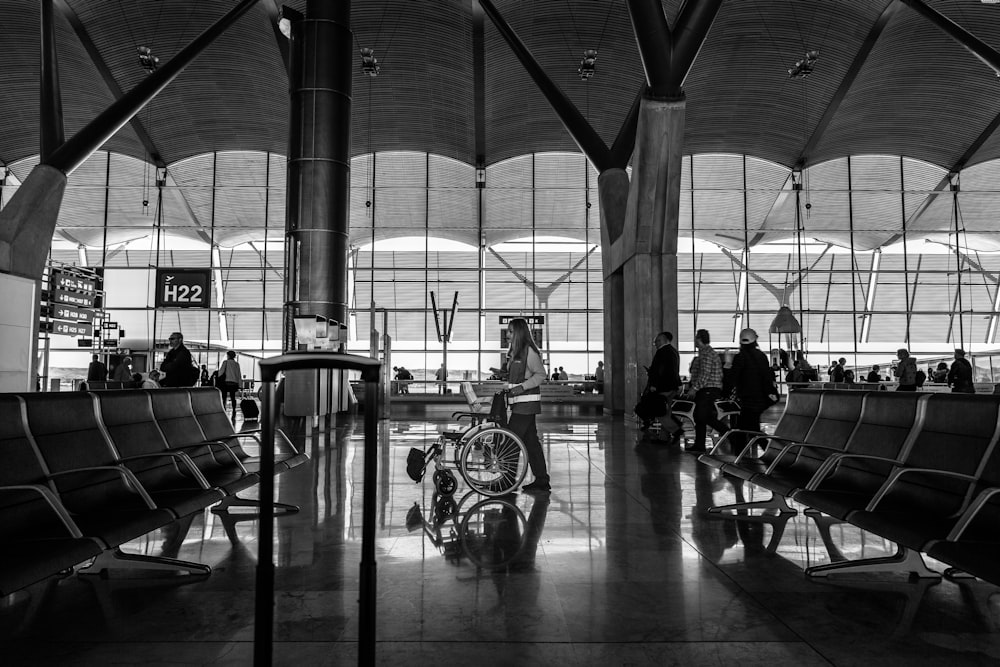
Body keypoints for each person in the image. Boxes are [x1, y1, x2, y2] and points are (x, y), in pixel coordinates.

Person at [504, 317, 549, 493]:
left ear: (519, 332)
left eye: (510, 331)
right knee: (531, 443)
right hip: (520, 405)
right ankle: (542, 480)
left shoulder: (529, 352)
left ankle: (507, 481)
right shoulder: (516, 353)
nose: (507, 334)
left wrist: (521, 387)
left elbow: (540, 375)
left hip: (526, 405)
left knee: (511, 441)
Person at [726, 328, 774, 455]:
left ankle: (740, 458)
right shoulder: (762, 356)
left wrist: (726, 369)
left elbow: (733, 378)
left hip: (748, 400)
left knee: (745, 429)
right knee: (750, 428)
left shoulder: (740, 357)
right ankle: (769, 453)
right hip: (762, 400)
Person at [684, 329, 729, 453]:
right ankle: (701, 444)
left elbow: (705, 374)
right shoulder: (706, 353)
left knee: (701, 416)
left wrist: (695, 388)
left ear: (699, 339)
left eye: (695, 338)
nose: (694, 341)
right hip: (708, 389)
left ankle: (728, 434)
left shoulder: (706, 354)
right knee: (704, 417)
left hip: (708, 389)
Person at [644, 331, 684, 444]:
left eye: (657, 341)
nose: (655, 343)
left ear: (664, 340)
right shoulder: (674, 351)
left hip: (663, 387)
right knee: (666, 412)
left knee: (658, 410)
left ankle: (676, 429)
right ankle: (663, 437)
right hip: (672, 386)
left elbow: (660, 371)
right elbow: (674, 370)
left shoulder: (662, 352)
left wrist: (654, 385)